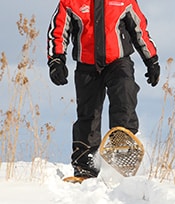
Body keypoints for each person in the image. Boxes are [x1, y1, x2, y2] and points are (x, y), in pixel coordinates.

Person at [47, 0, 160, 179]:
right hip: (86, 65)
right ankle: (85, 167)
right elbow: (58, 31)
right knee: (88, 114)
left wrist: (151, 60)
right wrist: (56, 60)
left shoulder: (125, 1)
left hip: (118, 61)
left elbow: (139, 30)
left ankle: (123, 148)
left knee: (124, 93)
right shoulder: (70, 2)